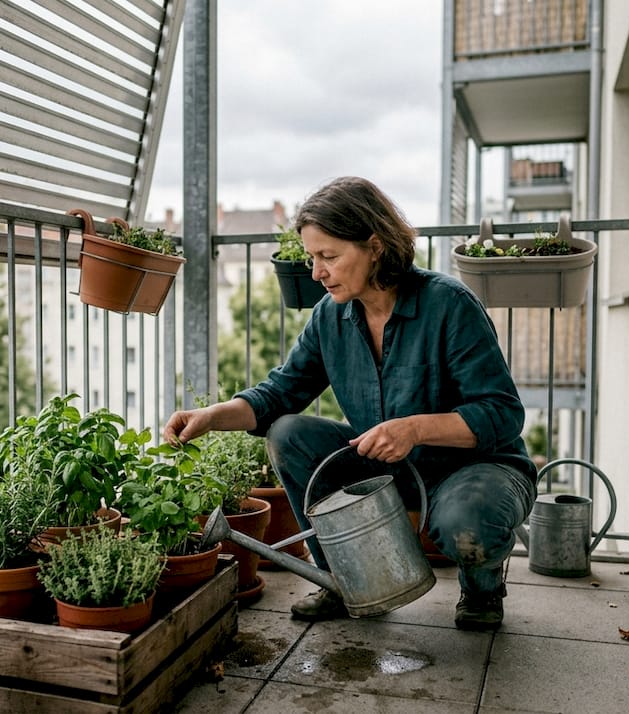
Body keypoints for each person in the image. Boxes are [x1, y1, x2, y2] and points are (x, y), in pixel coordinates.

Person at [162, 176, 536, 631]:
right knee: (289, 434)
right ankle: (342, 580)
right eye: (311, 257)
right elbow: (281, 393)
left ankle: (482, 587)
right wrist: (212, 416)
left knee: (467, 520)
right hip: (388, 470)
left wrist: (413, 429)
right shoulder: (330, 316)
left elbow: (502, 413)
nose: (316, 272)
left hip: (475, 469)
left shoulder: (449, 305)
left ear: (375, 246)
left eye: (329, 256)